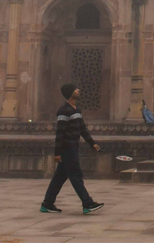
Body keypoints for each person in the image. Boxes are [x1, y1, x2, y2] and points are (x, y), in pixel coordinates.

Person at [40, 83, 105, 214]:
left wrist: (92, 143)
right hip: (67, 149)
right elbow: (60, 134)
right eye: (76, 89)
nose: (78, 90)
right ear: (70, 93)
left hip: (72, 147)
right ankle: (87, 203)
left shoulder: (76, 110)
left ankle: (47, 203)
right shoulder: (63, 111)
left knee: (59, 177)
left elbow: (82, 129)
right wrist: (57, 153)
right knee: (76, 175)